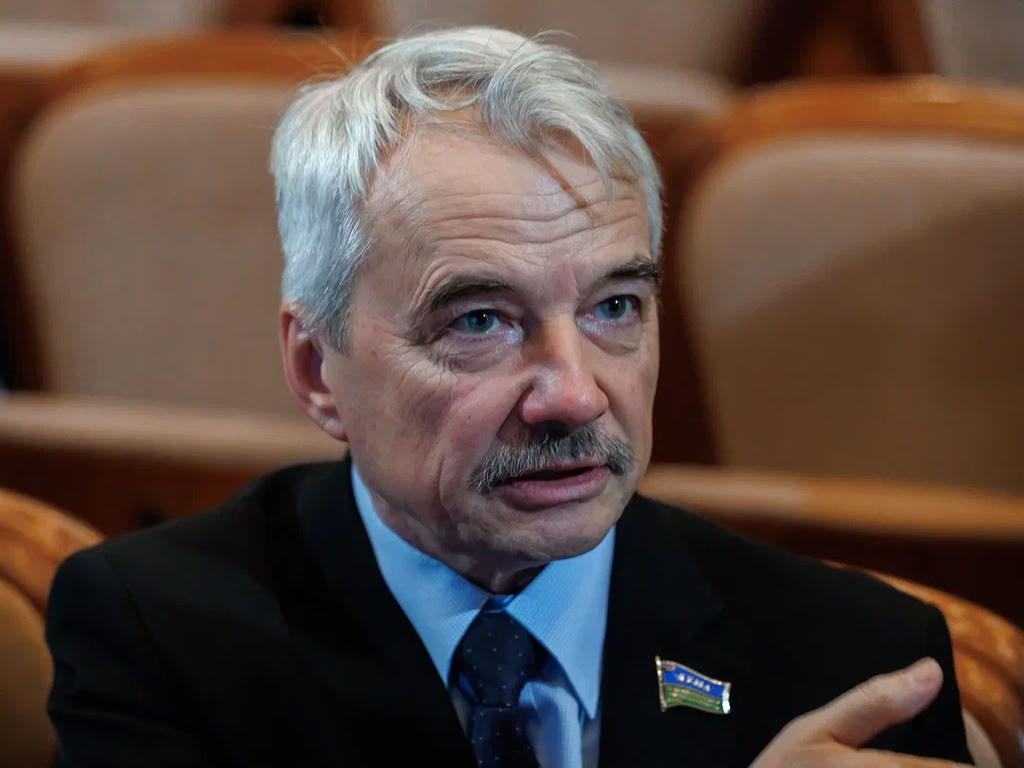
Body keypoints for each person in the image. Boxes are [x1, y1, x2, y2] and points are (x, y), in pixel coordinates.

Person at [45, 27, 973, 768]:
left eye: (614, 308)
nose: (574, 395)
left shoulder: (853, 661)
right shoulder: (160, 634)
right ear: (317, 369)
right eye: (480, 321)